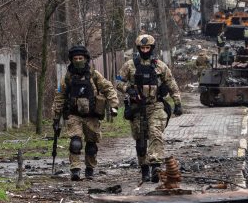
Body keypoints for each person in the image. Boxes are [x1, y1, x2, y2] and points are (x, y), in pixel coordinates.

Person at [115, 34, 184, 183]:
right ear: (138, 48)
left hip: (156, 106)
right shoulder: (129, 65)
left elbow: (171, 84)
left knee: (155, 134)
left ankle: (155, 167)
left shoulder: (160, 65)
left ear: (152, 48)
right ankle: (144, 169)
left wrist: (177, 103)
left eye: (147, 48)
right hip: (137, 108)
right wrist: (128, 89)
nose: (145, 50)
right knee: (140, 141)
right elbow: (118, 82)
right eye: (142, 48)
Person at [51, 45, 119, 181]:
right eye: (75, 58)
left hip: (92, 116)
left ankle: (90, 169)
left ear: (86, 59)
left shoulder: (94, 75)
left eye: (80, 58)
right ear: (71, 59)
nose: (78, 61)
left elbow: (108, 88)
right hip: (74, 115)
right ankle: (75, 169)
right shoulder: (68, 77)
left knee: (91, 146)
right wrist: (56, 115)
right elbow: (60, 96)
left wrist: (114, 105)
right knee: (75, 143)